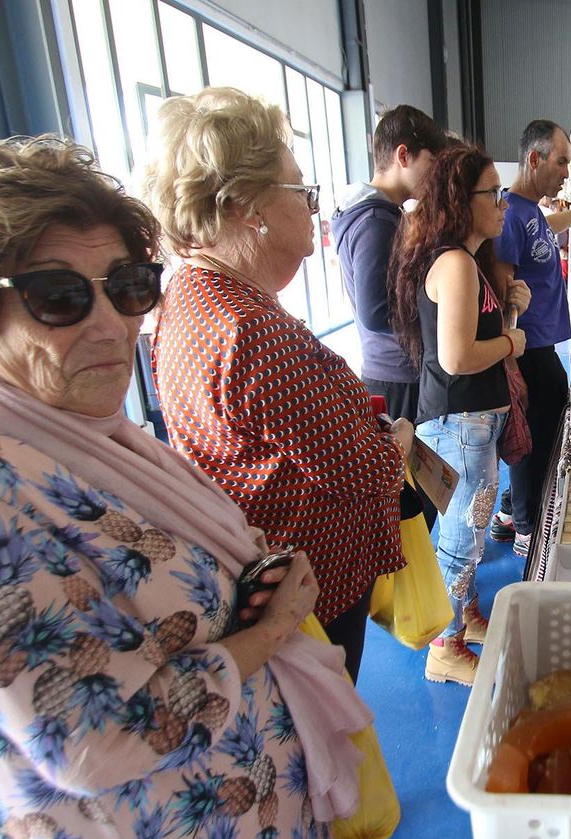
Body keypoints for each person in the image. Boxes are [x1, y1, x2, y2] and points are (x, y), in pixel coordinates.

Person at [0, 135, 365, 839]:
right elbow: (94, 739)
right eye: (58, 295)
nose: (109, 323)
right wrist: (266, 634)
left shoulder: (71, 428)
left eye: (127, 285)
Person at [144, 87, 408, 683]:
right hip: (308, 594)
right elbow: (367, 471)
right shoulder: (250, 330)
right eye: (301, 191)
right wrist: (399, 441)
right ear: (248, 208)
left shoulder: (189, 301)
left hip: (265, 576)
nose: (313, 207)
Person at [389, 143, 527, 686]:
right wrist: (514, 340)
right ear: (460, 200)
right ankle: (444, 647)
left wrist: (512, 305)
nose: (502, 204)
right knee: (464, 534)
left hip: (471, 422)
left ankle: (464, 617)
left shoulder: (468, 263)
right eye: (492, 193)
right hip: (461, 422)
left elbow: (473, 337)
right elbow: (458, 357)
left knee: (465, 526)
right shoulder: (454, 262)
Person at [330, 104, 446, 526]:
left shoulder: (378, 214)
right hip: (396, 376)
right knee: (411, 503)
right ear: (403, 156)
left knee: (417, 497)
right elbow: (376, 311)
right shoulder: (375, 220)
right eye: (431, 161)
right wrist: (439, 313)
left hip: (393, 370)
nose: (434, 175)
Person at [490, 119, 571, 556]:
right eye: (561, 162)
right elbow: (504, 293)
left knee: (546, 425)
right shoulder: (509, 215)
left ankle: (508, 510)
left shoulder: (530, 209)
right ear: (534, 159)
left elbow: (551, 226)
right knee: (533, 435)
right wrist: (510, 359)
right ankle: (526, 525)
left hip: (543, 346)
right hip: (528, 350)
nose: (565, 172)